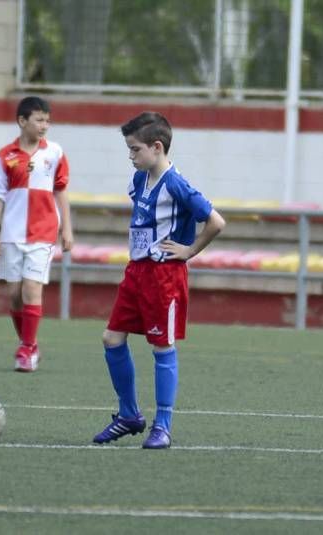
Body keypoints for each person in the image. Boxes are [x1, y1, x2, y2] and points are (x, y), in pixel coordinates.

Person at [92, 111, 225, 449]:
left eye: (135, 150)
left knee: (162, 346)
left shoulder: (176, 184)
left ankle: (162, 425)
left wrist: (189, 250)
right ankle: (129, 414)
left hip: (163, 276)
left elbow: (215, 221)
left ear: (156, 146)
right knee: (111, 338)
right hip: (136, 272)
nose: (131, 156)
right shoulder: (139, 180)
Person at [0, 96, 73, 372]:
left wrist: (67, 228)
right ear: (22, 121)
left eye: (47, 120)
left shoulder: (55, 153)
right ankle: (29, 343)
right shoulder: (4, 156)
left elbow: (61, 190)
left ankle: (26, 348)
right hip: (12, 233)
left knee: (31, 288)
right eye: (39, 119)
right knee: (14, 293)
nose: (44, 125)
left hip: (43, 232)